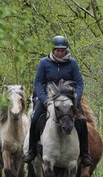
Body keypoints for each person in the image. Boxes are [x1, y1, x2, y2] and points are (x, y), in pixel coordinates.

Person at [23, 35, 93, 167]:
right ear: (53, 50)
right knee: (36, 118)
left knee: (82, 121)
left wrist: (75, 99)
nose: (60, 53)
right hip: (48, 99)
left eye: (62, 51)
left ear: (66, 50)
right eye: (57, 50)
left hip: (69, 101)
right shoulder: (44, 62)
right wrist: (44, 100)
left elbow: (79, 82)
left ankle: (84, 154)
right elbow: (38, 82)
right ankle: (31, 151)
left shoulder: (73, 63)